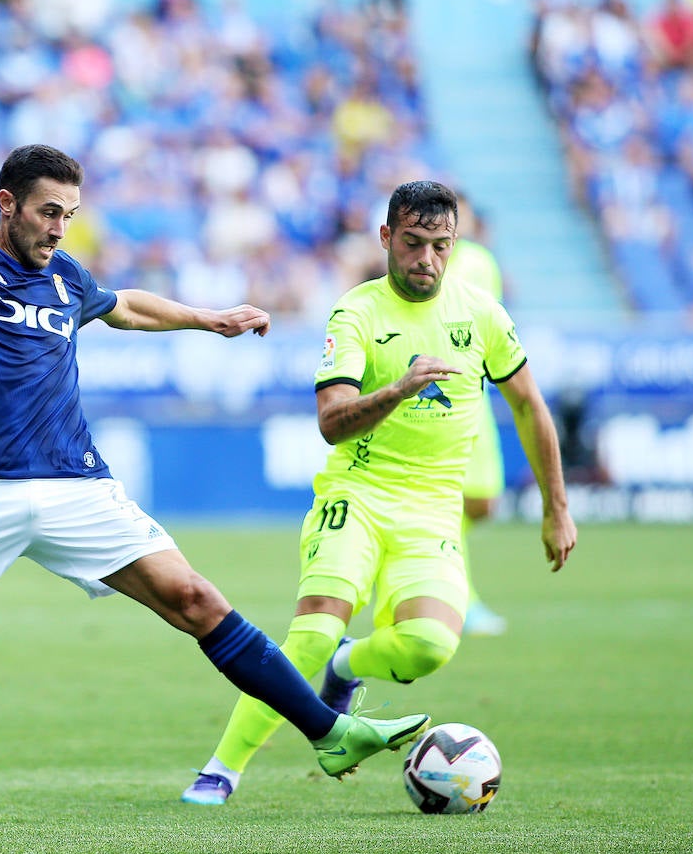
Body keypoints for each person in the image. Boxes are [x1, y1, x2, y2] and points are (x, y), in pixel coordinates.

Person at [0, 97, 430, 815]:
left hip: (75, 487)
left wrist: (207, 318)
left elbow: (126, 307)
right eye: (48, 212)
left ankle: (329, 731)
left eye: (68, 214)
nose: (59, 228)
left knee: (196, 600)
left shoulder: (66, 279)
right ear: (9, 204)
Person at [182, 180, 575, 806]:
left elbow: (529, 405)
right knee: (309, 630)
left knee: (429, 646)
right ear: (387, 238)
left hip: (432, 509)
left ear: (456, 244)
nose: (427, 260)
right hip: (357, 496)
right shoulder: (356, 313)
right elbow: (331, 422)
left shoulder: (482, 314)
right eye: (414, 243)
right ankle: (220, 770)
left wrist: (557, 507)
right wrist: (398, 389)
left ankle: (347, 666)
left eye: (440, 246)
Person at [444, 194, 509, 636]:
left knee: (482, 502)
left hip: (474, 393)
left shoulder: (478, 261)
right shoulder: (427, 261)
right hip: (438, 398)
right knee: (449, 503)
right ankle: (459, 599)